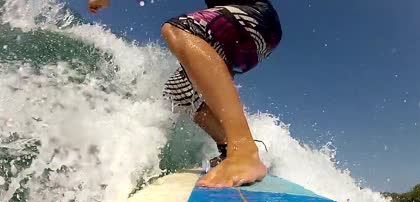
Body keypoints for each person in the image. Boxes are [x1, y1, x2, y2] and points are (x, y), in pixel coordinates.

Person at [88, 0, 282, 188]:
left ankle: (244, 150)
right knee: (179, 92)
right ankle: (226, 149)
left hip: (256, 18)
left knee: (182, 29)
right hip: (240, 34)